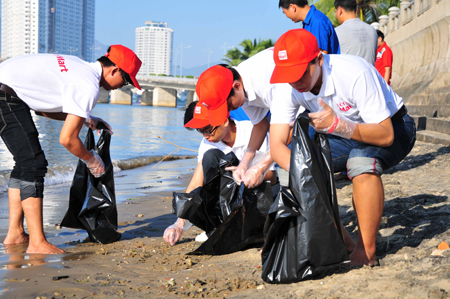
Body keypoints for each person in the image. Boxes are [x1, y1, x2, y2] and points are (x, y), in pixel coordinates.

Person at [269, 29, 416, 265]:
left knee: (361, 161)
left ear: (318, 59)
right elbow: (276, 145)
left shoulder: (354, 73)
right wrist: (305, 173)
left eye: (300, 73)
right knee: (296, 167)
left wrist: (340, 125)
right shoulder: (289, 86)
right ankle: (343, 241)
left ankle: (365, 252)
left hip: (395, 127)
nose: (295, 82)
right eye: (288, 75)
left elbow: (386, 135)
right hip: (344, 133)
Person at [0, 45, 142, 254]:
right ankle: (37, 243)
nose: (123, 87)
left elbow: (43, 109)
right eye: (127, 80)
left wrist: (85, 118)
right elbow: (67, 139)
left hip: (9, 93)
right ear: (114, 70)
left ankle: (15, 233)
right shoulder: (88, 85)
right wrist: (92, 160)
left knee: (24, 163)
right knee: (33, 164)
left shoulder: (79, 66)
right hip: (6, 96)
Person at [163, 101, 279, 246]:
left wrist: (243, 171)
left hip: (257, 196)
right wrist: (179, 223)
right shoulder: (207, 144)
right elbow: (197, 183)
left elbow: (271, 176)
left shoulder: (252, 131)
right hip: (228, 199)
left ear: (224, 121)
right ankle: (218, 224)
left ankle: (243, 226)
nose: (205, 136)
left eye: (208, 129)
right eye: (200, 131)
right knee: (211, 157)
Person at [193, 59, 304, 188]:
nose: (228, 111)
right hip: (292, 119)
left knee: (300, 172)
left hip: (309, 110)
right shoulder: (241, 88)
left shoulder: (263, 83)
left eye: (228, 105)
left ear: (237, 86)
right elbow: (260, 125)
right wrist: (244, 164)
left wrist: (262, 167)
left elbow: (290, 129)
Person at [334, 0, 378, 65]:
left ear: (340, 11)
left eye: (336, 11)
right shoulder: (372, 30)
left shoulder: (336, 32)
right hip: (369, 74)